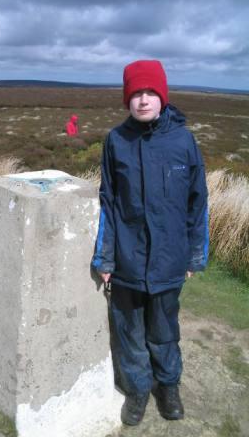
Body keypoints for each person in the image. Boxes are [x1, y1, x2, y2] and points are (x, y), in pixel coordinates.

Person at [91, 60, 209, 426]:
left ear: (162, 96)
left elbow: (198, 201)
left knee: (163, 331)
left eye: (150, 92)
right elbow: (108, 202)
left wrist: (194, 255)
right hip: (127, 259)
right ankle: (138, 390)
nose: (142, 100)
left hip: (170, 260)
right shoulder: (116, 140)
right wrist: (106, 259)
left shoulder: (183, 140)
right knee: (130, 332)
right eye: (136, 93)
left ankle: (168, 386)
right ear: (127, 98)